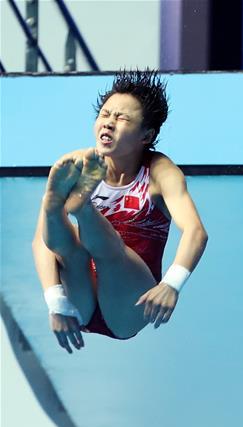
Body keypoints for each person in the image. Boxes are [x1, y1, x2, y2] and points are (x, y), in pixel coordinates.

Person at [32, 70, 208, 352]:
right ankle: (58, 208)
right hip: (81, 295)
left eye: (122, 118)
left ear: (146, 135)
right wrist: (56, 302)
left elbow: (195, 231)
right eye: (105, 114)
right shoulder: (77, 164)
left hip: (131, 301)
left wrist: (172, 284)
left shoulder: (160, 172)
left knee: (110, 250)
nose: (110, 123)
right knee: (70, 251)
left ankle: (81, 208)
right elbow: (41, 243)